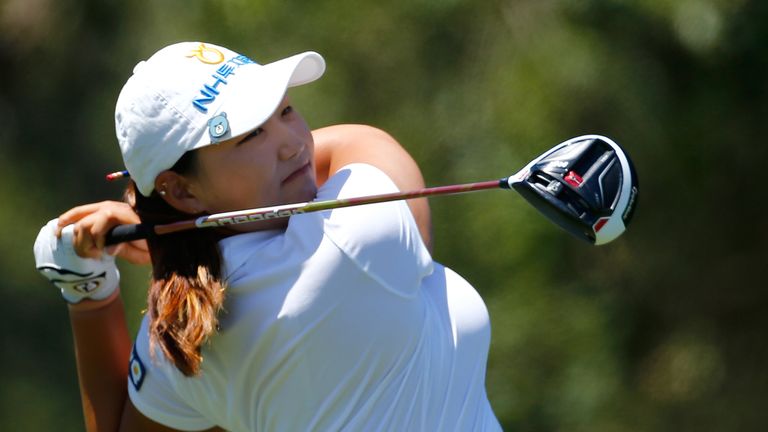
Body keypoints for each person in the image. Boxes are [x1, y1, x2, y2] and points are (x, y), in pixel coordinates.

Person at [33, 41, 501, 431]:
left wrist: (87, 289)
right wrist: (148, 217)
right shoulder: (357, 238)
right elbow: (365, 141)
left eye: (287, 110)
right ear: (181, 191)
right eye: (251, 136)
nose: (294, 141)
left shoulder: (184, 336)